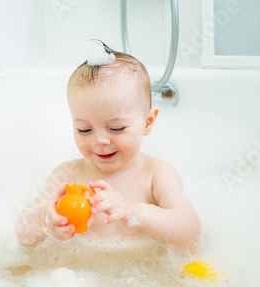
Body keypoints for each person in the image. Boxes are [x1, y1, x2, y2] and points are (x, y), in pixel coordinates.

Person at [16, 41, 201, 248]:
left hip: (140, 273)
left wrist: (134, 211)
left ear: (147, 123)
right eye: (84, 130)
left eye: (117, 128)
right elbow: (22, 233)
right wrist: (44, 221)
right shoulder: (68, 175)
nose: (99, 141)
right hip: (79, 273)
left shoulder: (156, 175)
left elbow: (190, 232)